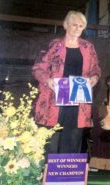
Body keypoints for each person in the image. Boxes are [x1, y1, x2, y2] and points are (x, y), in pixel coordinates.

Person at [32, 10, 101, 155]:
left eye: (81, 26)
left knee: (73, 138)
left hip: (78, 99)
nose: (77, 29)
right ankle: (47, 174)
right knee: (51, 140)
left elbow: (95, 69)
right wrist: (48, 80)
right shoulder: (53, 45)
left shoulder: (88, 47)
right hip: (54, 98)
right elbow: (38, 68)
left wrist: (94, 78)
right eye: (74, 25)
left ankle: (68, 175)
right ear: (65, 25)